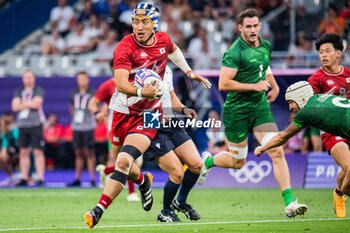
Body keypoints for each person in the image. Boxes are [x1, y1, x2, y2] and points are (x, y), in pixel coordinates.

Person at [83, 2, 211, 228]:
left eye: (144, 22)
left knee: (124, 161)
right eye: (135, 22)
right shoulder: (124, 47)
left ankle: (98, 210)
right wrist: (143, 91)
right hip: (122, 113)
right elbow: (121, 84)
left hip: (149, 117)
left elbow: (173, 49)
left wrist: (189, 72)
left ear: (154, 24)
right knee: (127, 167)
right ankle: (143, 182)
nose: (139, 26)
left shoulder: (162, 41)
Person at [197, 8, 307, 218]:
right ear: (240, 28)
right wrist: (254, 87)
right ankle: (207, 162)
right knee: (238, 162)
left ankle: (289, 203)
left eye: (256, 25)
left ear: (260, 26)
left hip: (259, 109)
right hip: (237, 112)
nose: (253, 29)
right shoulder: (234, 52)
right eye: (248, 26)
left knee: (277, 150)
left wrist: (274, 86)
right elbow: (223, 83)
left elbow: (264, 68)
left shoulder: (265, 46)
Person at [254, 81, 350, 199]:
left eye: (291, 102)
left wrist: (262, 148)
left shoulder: (307, 112)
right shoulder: (321, 98)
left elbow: (282, 137)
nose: (290, 107)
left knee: (346, 188)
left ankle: (339, 192)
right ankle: (338, 193)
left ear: (301, 99)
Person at [307, 33, 350, 218]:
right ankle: (341, 194)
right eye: (320, 52)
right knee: (349, 167)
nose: (323, 55)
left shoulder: (348, 75)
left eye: (327, 51)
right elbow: (309, 107)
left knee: (346, 169)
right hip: (332, 131)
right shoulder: (316, 79)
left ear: (338, 53)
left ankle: (338, 192)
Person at [88, 60, 141, 202]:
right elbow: (92, 102)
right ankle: (131, 192)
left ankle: (105, 171)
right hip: (116, 126)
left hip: (135, 124)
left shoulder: (139, 81)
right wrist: (97, 113)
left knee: (131, 161)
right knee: (126, 158)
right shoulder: (108, 85)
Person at [11, 70, 46, 187]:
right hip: (22, 125)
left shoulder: (38, 90)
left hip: (36, 124)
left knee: (38, 151)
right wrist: (28, 103)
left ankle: (40, 178)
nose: (28, 79)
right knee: (23, 152)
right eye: (26, 77)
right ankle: (24, 177)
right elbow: (14, 106)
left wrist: (22, 103)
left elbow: (36, 104)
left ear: (33, 78)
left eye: (30, 77)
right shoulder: (19, 91)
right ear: (23, 79)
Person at [68, 71, 96, 187]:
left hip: (88, 126)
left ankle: (92, 179)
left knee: (89, 152)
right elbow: (72, 109)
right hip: (77, 126)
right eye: (80, 79)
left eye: (84, 79)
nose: (82, 82)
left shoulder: (92, 93)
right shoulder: (74, 93)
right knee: (78, 152)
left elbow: (95, 107)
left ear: (87, 80)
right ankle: (77, 178)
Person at [0, 115, 19, 186]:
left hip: (23, 153)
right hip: (14, 154)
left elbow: (23, 147)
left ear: (7, 125)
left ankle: (28, 177)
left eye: (2, 125)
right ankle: (11, 178)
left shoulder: (15, 131)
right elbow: (4, 149)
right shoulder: (5, 135)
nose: (1, 128)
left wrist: (18, 155)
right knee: (1, 157)